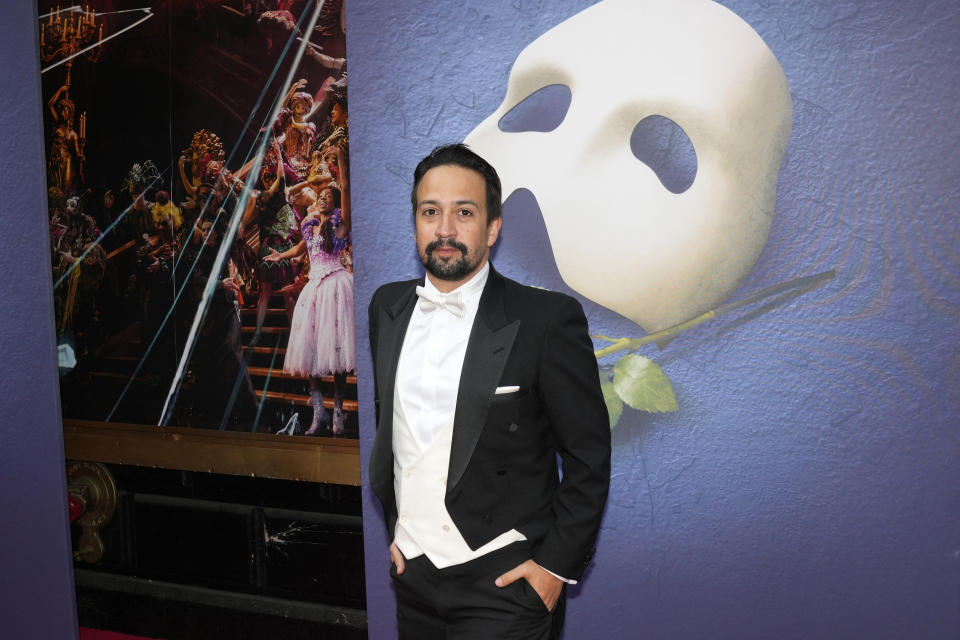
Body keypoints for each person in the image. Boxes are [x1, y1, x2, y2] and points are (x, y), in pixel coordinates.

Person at [367, 144, 611, 639]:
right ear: (416, 222)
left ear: (493, 227)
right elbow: (396, 431)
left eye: (465, 212)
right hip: (412, 577)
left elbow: (588, 454)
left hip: (504, 586)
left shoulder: (545, 320)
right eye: (430, 212)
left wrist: (554, 567)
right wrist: (399, 526)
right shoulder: (386, 308)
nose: (445, 230)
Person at [265, 147, 354, 435]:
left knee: (336, 351)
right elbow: (299, 249)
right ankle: (319, 413)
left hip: (335, 285)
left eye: (329, 196)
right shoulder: (311, 226)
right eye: (322, 196)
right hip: (314, 288)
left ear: (336, 202)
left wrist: (341, 160)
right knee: (312, 352)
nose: (323, 198)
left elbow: (347, 190)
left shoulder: (340, 227)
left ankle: (338, 410)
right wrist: (280, 256)